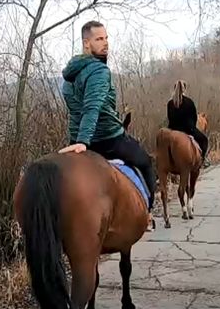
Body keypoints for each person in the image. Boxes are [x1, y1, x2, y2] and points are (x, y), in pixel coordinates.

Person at [58, 20, 157, 214]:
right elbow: (91, 107)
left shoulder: (71, 73)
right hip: (108, 139)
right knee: (146, 162)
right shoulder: (99, 71)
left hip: (76, 138)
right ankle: (148, 213)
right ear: (87, 43)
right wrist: (83, 141)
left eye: (106, 38)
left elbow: (76, 111)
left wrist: (77, 140)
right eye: (99, 39)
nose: (105, 43)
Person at [166, 80, 209, 164]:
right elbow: (194, 117)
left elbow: (169, 118)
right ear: (184, 89)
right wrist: (192, 126)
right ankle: (202, 161)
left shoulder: (170, 103)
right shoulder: (189, 102)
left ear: (174, 89)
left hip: (172, 130)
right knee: (204, 140)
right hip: (188, 129)